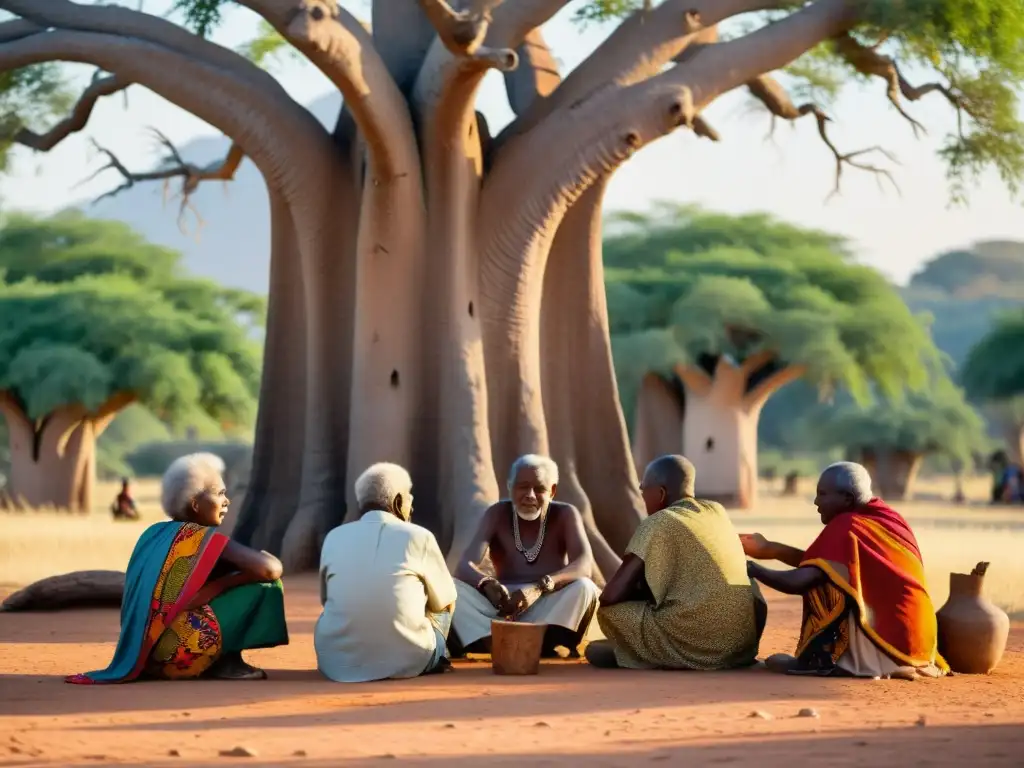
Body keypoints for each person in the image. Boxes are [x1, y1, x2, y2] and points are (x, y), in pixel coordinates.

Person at [67, 453, 288, 684]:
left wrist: (214, 587)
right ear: (195, 504)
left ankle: (216, 658)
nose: (226, 501)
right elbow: (270, 569)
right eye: (220, 493)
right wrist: (223, 584)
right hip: (178, 656)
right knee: (266, 586)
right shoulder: (200, 538)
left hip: (147, 658)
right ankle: (227, 663)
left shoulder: (153, 534)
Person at [742, 461, 947, 679]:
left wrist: (751, 569)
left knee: (824, 584)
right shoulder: (888, 518)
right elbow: (833, 563)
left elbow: (802, 580)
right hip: (919, 642)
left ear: (847, 498)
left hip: (888, 641)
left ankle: (820, 660)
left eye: (822, 494)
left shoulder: (846, 525)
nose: (816, 501)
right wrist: (770, 549)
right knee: (829, 574)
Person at [586, 455, 765, 670]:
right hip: (739, 648)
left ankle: (658, 655)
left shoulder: (657, 522)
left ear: (660, 494)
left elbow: (611, 596)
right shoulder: (717, 511)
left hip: (693, 643)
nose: (643, 499)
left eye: (644, 491)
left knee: (609, 614)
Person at [315, 463, 457, 682]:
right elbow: (444, 602)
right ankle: (436, 656)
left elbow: (326, 600)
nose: (412, 508)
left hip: (335, 663)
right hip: (411, 661)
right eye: (410, 499)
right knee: (445, 600)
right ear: (398, 501)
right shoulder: (419, 536)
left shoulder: (333, 537)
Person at [452, 454, 600, 657]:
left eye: (539, 489)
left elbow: (583, 566)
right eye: (523, 487)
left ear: (553, 491)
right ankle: (498, 642)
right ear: (510, 488)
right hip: (502, 608)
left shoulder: (565, 514)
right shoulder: (497, 513)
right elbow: (464, 565)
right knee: (452, 589)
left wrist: (539, 587)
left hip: (547, 606)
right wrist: (487, 584)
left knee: (585, 588)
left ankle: (537, 642)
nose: (530, 495)